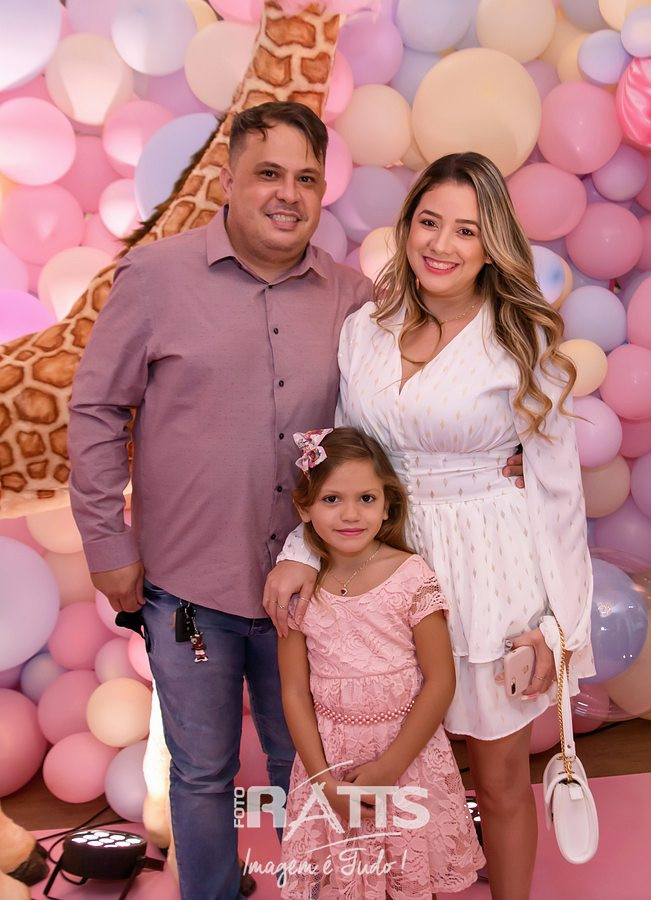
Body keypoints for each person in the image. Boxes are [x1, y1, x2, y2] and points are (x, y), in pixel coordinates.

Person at [265, 152, 594, 900]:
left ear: (492, 245)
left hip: (492, 571)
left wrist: (558, 629)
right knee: (404, 768)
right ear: (406, 226)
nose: (441, 245)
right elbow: (341, 458)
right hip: (383, 567)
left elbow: (559, 495)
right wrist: (301, 549)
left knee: (499, 776)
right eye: (428, 222)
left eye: (466, 230)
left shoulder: (521, 341)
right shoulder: (365, 330)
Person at [67, 101, 373, 900]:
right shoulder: (154, 277)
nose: (288, 194)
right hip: (186, 592)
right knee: (201, 770)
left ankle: (313, 888)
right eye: (268, 173)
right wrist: (106, 543)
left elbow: (388, 422)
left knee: (303, 764)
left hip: (307, 591)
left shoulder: (352, 298)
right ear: (227, 179)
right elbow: (97, 409)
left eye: (306, 178)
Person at [278, 426, 485, 899]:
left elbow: (440, 680)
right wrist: (323, 783)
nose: (350, 514)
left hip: (407, 759)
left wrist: (390, 767)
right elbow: (293, 691)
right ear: (304, 508)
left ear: (388, 505)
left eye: (366, 499)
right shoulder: (299, 588)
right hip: (330, 762)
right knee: (345, 881)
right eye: (331, 499)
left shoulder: (410, 576)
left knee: (409, 879)